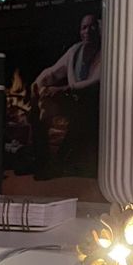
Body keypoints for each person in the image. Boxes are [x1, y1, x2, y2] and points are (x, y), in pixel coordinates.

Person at [31, 11, 102, 177]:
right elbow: (53, 72)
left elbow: (94, 82)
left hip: (96, 108)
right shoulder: (74, 51)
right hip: (74, 102)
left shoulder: (107, 52)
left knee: (81, 116)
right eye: (84, 27)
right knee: (37, 110)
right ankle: (41, 160)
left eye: (92, 27)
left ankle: (58, 164)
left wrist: (63, 89)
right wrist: (37, 84)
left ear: (99, 29)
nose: (88, 31)